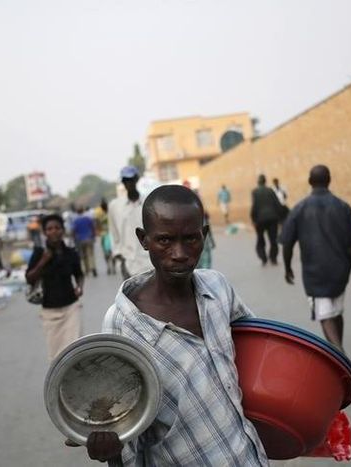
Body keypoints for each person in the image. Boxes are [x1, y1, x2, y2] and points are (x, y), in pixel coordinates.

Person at [82, 185, 268, 466]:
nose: (179, 253)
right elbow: (120, 424)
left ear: (204, 236)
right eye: (165, 241)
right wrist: (111, 452)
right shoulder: (124, 324)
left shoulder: (217, 289)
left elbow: (258, 351)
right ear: (144, 240)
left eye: (191, 239)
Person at [280, 165, 351, 351]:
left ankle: (339, 354)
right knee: (336, 311)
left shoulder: (300, 208)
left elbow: (287, 243)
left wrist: (287, 267)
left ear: (310, 182)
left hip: (315, 273)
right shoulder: (343, 207)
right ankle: (339, 353)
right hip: (341, 271)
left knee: (325, 314)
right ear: (329, 180)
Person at [25, 214, 84, 360]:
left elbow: (79, 274)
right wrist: (43, 261)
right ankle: (61, 383)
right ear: (45, 232)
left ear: (63, 230)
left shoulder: (71, 253)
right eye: (49, 229)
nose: (54, 231)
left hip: (71, 308)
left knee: (75, 352)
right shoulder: (39, 253)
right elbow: (29, 278)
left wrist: (80, 287)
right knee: (56, 356)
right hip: (50, 312)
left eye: (57, 228)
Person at [108, 166, 152, 279]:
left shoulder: (149, 202)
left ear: (136, 179)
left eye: (131, 179)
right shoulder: (115, 206)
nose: (129, 183)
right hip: (129, 263)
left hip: (150, 261)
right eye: (126, 180)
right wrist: (119, 256)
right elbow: (114, 233)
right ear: (122, 182)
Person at [250, 174, 282, 266]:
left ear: (258, 182)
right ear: (265, 181)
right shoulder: (270, 190)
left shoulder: (255, 192)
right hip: (272, 218)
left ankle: (263, 258)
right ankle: (273, 258)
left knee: (260, 239)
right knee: (273, 239)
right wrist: (279, 217)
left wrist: (253, 219)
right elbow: (277, 204)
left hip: (260, 220)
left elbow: (254, 206)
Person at [72, 207, 97, 277]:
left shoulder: (75, 221)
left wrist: (74, 239)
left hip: (80, 240)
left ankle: (86, 270)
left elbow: (73, 231)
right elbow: (92, 228)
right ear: (83, 211)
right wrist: (94, 236)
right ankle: (93, 268)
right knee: (90, 254)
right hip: (89, 238)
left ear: (77, 212)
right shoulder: (88, 219)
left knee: (83, 256)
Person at [95, 199, 116, 275]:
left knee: (106, 253)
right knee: (112, 252)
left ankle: (109, 267)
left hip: (104, 235)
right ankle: (113, 267)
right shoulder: (111, 214)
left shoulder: (99, 215)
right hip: (111, 235)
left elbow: (97, 226)